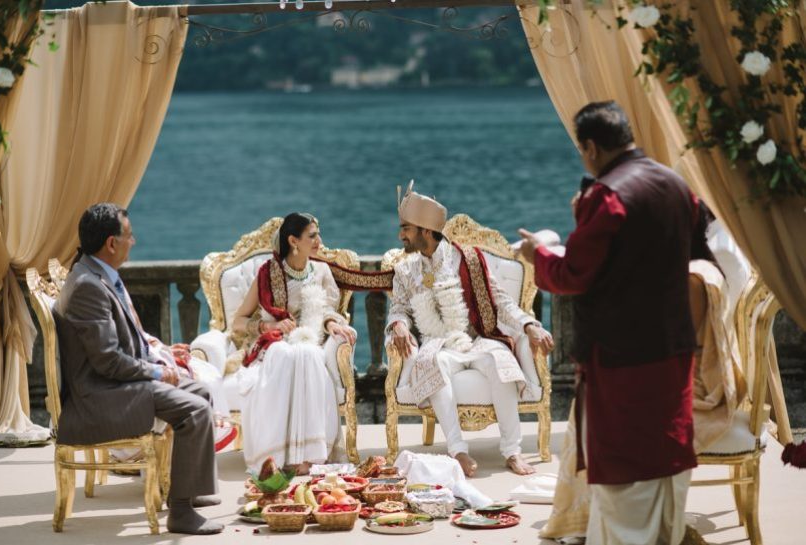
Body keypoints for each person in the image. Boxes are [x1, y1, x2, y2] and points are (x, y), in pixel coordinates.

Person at [518, 101, 705, 545]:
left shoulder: (610, 196)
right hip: (673, 346)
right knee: (665, 458)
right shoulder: (676, 184)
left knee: (625, 470)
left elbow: (572, 275)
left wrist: (537, 255)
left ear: (590, 146)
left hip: (623, 355)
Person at [54, 203, 223, 535]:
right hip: (98, 398)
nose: (135, 241)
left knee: (201, 391)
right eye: (129, 236)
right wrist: (158, 372)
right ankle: (180, 512)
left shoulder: (95, 274)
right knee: (195, 410)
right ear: (111, 243)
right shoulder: (89, 285)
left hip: (113, 385)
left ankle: (186, 489)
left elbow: (119, 346)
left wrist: (156, 356)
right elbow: (107, 360)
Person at [387, 181, 554, 477]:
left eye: (406, 228)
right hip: (439, 345)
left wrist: (529, 326)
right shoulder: (405, 269)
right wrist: (398, 325)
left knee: (499, 361)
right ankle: (458, 451)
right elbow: (398, 307)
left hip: (477, 339)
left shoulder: (470, 259)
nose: (401, 235)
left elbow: (501, 301)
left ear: (426, 231)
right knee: (432, 362)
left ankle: (512, 452)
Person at [231, 212, 357, 476]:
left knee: (308, 355)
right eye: (312, 236)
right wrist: (268, 326)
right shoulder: (268, 273)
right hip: (275, 345)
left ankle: (310, 455)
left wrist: (333, 325)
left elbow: (327, 311)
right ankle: (277, 454)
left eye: (318, 234)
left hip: (309, 342)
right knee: (287, 356)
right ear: (293, 241)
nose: (319, 241)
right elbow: (239, 322)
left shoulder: (321, 271)